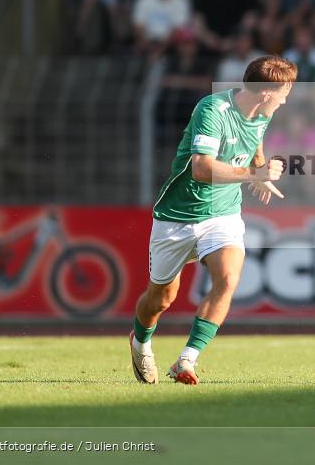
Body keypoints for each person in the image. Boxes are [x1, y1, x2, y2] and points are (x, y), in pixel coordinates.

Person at [129, 56, 298, 385]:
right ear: (266, 93)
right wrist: (253, 174)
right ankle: (140, 342)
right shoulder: (213, 110)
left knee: (228, 279)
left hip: (222, 215)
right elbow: (201, 169)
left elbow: (255, 140)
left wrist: (260, 172)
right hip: (177, 217)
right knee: (160, 298)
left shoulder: (262, 113)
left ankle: (186, 360)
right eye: (284, 92)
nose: (287, 98)